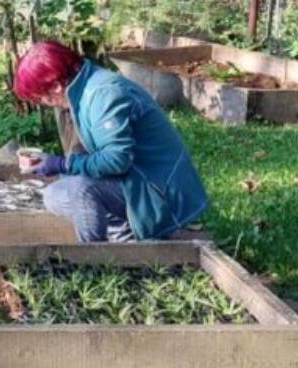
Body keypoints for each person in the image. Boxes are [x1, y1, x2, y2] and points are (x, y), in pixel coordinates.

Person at [13, 40, 208, 243]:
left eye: (40, 98)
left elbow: (116, 160)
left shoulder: (104, 94)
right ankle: (123, 230)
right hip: (135, 182)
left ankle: (97, 259)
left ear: (55, 85)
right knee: (54, 194)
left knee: (81, 190)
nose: (43, 104)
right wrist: (60, 167)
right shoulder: (83, 91)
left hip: (160, 191)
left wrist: (63, 164)